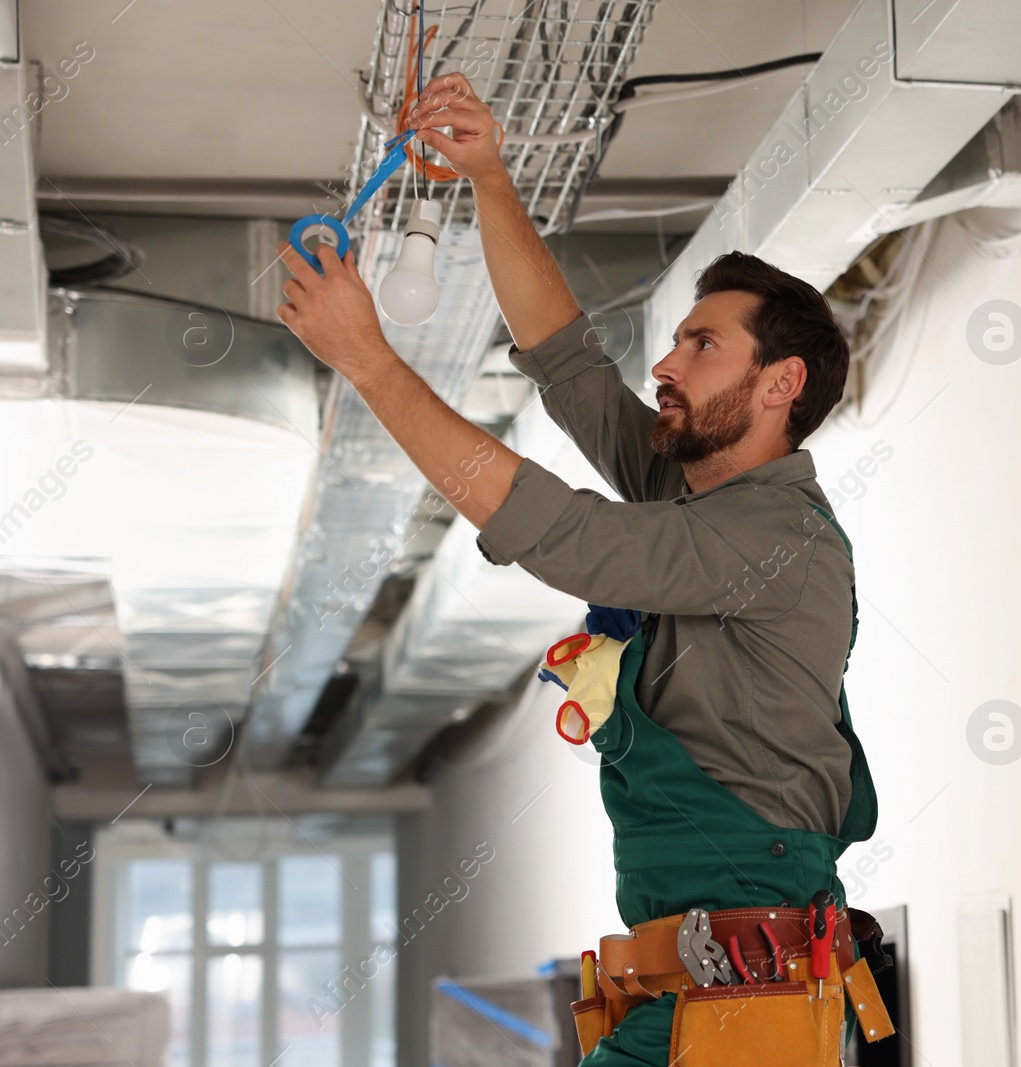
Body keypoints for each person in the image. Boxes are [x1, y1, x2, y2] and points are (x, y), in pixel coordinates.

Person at [275, 72, 886, 1066]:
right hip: (705, 1004)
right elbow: (567, 364)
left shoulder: (780, 541)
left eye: (701, 343)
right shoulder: (689, 489)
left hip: (745, 1015)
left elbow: (559, 532)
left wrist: (373, 364)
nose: (668, 365)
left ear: (780, 384)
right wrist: (487, 174)